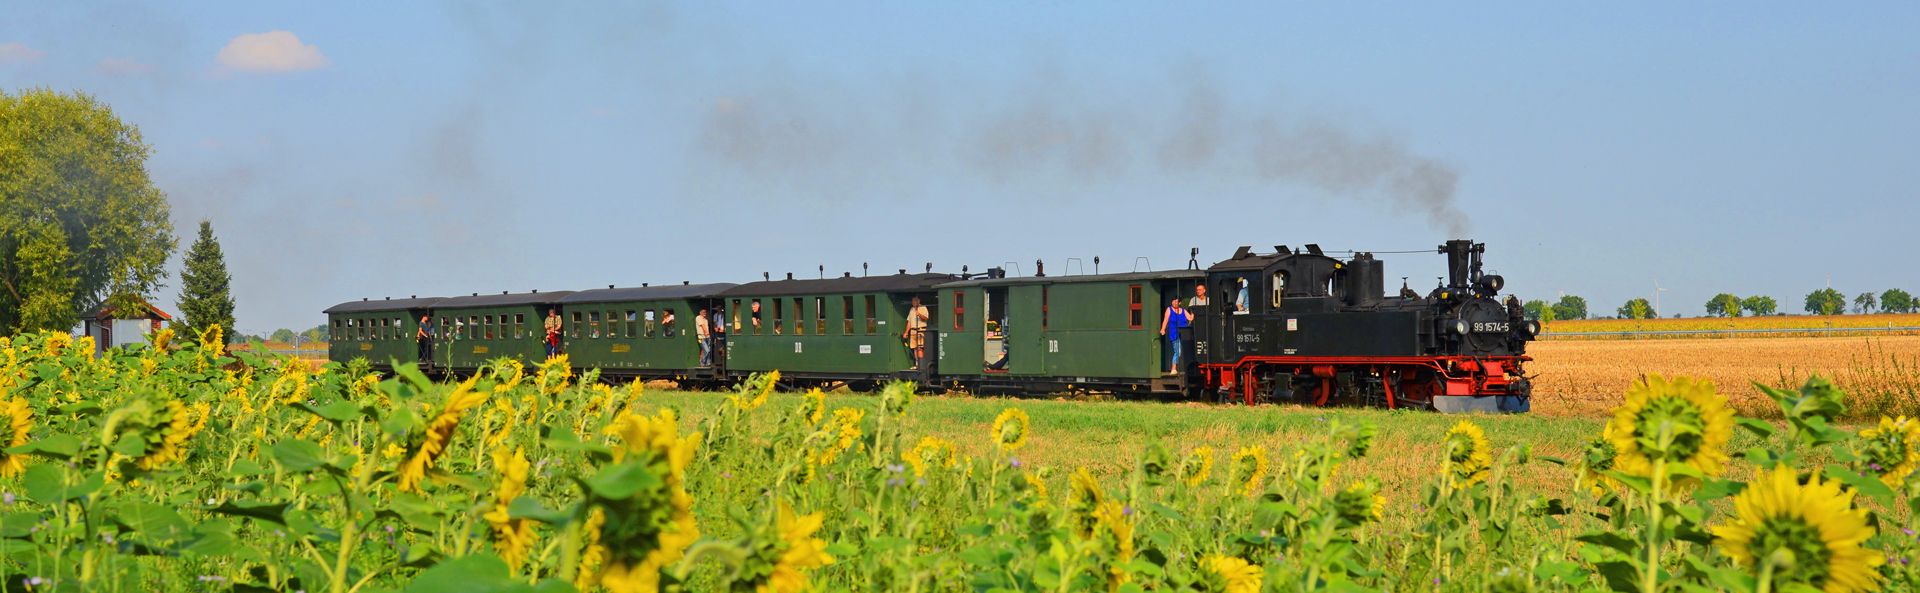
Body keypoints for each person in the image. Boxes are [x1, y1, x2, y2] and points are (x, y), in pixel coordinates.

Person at [1160, 298, 1193, 374]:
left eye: (1176, 301)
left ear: (1179, 303)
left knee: (1184, 351)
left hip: (1184, 333)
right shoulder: (1169, 309)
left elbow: (1190, 318)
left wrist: (1193, 312)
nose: (1174, 303)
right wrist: (1163, 329)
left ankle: (1182, 368)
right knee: (1178, 351)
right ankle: (1173, 368)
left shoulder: (1183, 310)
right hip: (1174, 333)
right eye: (1173, 301)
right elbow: (1165, 320)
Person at [903, 296, 930, 370]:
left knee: (920, 348)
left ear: (918, 301)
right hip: (913, 331)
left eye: (914, 301)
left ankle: (921, 365)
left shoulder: (923, 307)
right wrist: (906, 332)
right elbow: (909, 322)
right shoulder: (911, 309)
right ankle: (917, 364)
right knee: (914, 348)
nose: (913, 302)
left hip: (920, 330)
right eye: (912, 301)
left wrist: (919, 314)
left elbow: (926, 318)